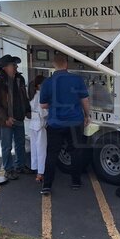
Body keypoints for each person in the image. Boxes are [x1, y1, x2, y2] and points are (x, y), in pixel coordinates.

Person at [40, 53, 90, 195]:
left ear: (53, 65)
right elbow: (84, 100)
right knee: (76, 152)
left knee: (52, 154)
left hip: (55, 123)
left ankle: (47, 185)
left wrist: (54, 104)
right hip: (75, 121)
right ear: (66, 64)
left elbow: (43, 105)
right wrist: (87, 115)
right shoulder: (77, 79)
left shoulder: (47, 82)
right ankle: (76, 182)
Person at [0, 54, 30, 180]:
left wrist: (27, 110)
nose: (16, 66)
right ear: (5, 67)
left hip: (19, 117)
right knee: (7, 146)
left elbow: (24, 97)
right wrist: (6, 118)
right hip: (5, 120)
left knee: (20, 143)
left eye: (15, 64)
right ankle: (8, 169)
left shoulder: (19, 79)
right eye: (13, 64)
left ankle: (20, 165)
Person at [28, 75, 47, 182]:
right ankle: (41, 173)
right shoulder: (41, 95)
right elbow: (43, 111)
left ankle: (35, 168)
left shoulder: (32, 95)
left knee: (34, 148)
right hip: (40, 123)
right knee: (41, 149)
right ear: (39, 85)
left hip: (33, 123)